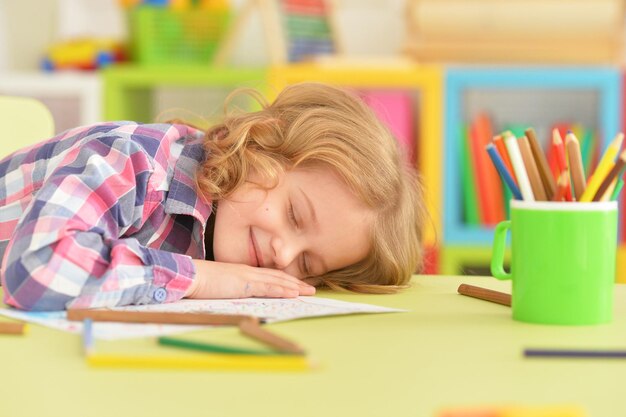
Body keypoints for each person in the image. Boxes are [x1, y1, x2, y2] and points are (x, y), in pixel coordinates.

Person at [0, 82, 427, 311]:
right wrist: (197, 278)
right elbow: (35, 267)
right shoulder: (134, 161)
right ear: (260, 145)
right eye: (295, 216)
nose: (283, 255)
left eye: (307, 264)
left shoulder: (223, 232)